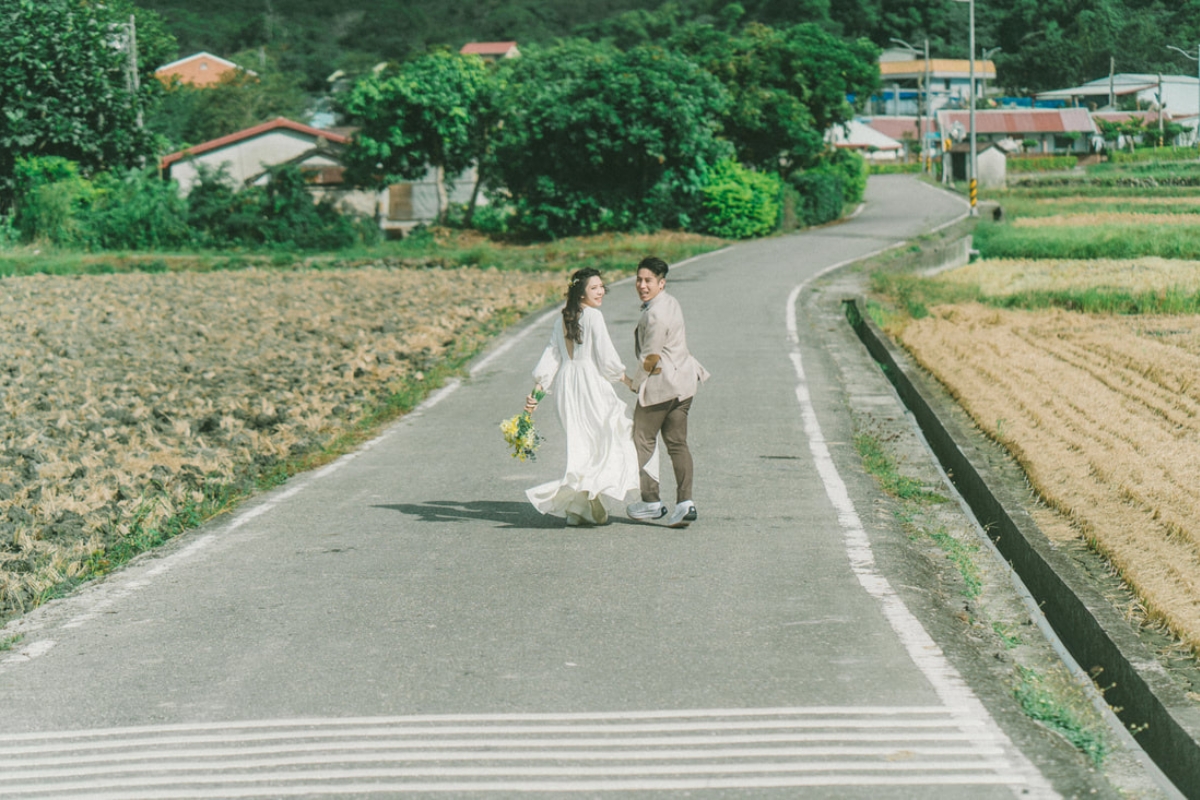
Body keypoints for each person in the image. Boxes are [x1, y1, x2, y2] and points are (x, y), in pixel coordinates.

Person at [523, 268, 655, 526]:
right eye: (594, 287)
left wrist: (537, 394)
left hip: (566, 386)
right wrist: (628, 381)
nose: (601, 291)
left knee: (583, 446)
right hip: (590, 384)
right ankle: (585, 503)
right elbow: (606, 359)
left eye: (602, 286)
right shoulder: (593, 316)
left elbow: (551, 359)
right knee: (611, 438)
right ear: (580, 292)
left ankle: (582, 509)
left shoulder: (561, 319)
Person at [626, 256, 709, 528]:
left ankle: (651, 502)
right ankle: (686, 503)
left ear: (661, 283)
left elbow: (650, 357)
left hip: (663, 386)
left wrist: (635, 383)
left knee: (642, 438)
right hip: (685, 384)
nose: (642, 285)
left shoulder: (655, 314)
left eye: (648, 280)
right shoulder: (670, 302)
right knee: (676, 442)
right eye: (639, 279)